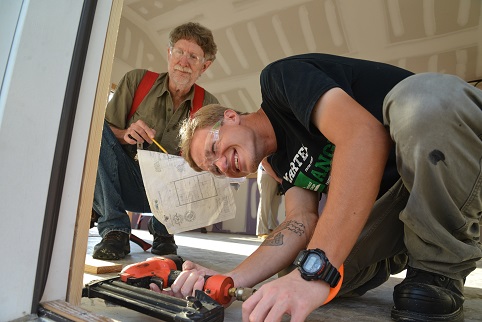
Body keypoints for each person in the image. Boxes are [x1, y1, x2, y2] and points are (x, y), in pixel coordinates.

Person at [170, 53, 482, 322]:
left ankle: (438, 267)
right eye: (215, 170)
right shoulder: (280, 161)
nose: (222, 166)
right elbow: (300, 221)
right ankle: (411, 248)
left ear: (230, 117)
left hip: (448, 161)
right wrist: (229, 278)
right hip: (400, 203)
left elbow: (364, 137)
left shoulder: (280, 81)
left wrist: (317, 271)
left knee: (423, 99)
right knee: (295, 265)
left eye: (213, 148)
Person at [91, 22, 218, 260]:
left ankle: (163, 232)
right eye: (179, 52)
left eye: (193, 56)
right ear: (169, 53)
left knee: (209, 155)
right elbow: (106, 130)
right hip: (123, 183)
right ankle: (115, 231)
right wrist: (125, 133)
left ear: (205, 66)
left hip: (170, 197)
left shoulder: (208, 105)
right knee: (94, 127)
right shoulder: (136, 81)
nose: (183, 62)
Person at [256, 158, 282, 239]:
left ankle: (272, 229)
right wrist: (277, 178)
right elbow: (264, 162)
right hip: (266, 174)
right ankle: (261, 231)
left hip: (276, 176)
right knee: (265, 203)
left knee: (275, 204)